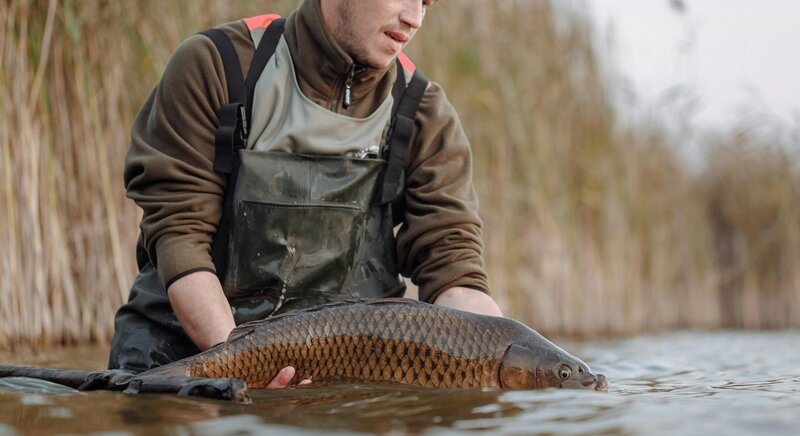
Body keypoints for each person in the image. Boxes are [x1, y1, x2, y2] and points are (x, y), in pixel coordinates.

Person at [109, 0, 503, 388]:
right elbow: (180, 236)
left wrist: (504, 356)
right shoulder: (219, 65)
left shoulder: (424, 112)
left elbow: (455, 269)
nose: (414, 18)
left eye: (426, 2)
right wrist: (241, 367)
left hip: (338, 385)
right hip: (183, 362)